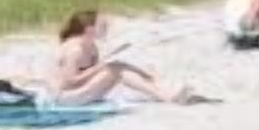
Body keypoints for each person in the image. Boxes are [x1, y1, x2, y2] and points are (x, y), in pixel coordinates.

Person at [52, 10, 201, 105]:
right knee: (115, 69)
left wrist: (144, 74)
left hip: (79, 93)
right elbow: (68, 82)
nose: (106, 28)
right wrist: (102, 66)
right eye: (102, 25)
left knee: (117, 66)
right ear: (89, 29)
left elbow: (97, 72)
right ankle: (165, 96)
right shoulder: (75, 49)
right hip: (65, 98)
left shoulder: (91, 47)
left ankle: (163, 90)